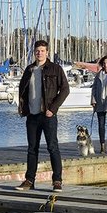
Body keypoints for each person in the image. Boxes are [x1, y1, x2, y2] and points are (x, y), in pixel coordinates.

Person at [15, 40, 70, 192]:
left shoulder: (55, 69)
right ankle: (29, 180)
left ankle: (57, 181)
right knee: (32, 149)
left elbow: (65, 90)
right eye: (37, 51)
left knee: (53, 147)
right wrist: (22, 107)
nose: (40, 53)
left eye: (42, 51)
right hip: (32, 115)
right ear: (34, 52)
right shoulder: (29, 69)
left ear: (47, 52)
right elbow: (23, 90)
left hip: (48, 115)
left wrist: (53, 108)